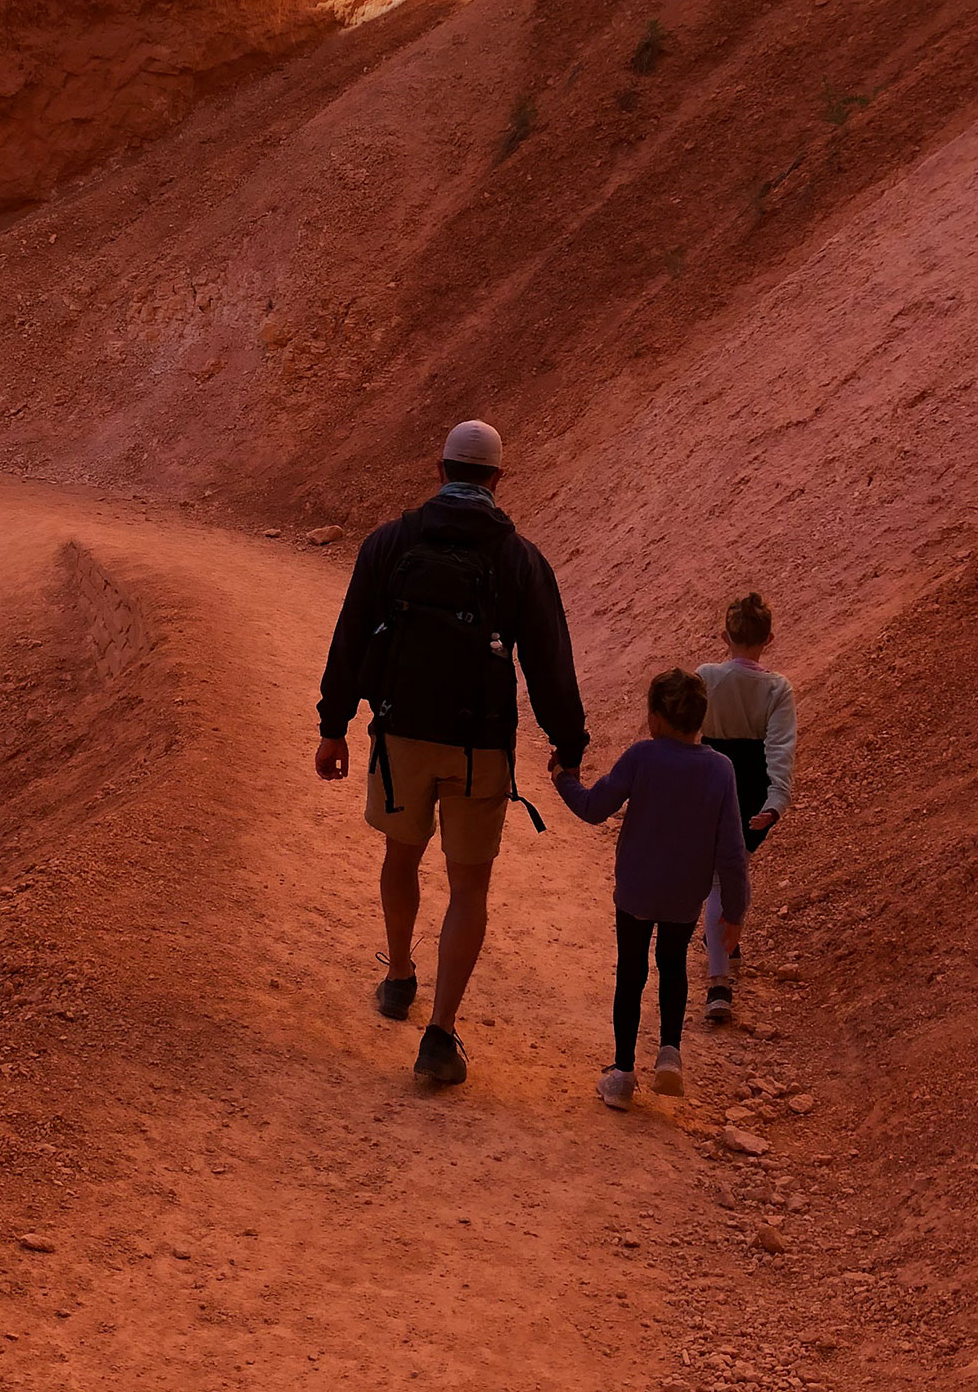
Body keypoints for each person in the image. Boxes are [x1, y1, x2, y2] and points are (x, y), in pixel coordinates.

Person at [316, 419, 589, 1088]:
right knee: (469, 887)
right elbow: (550, 662)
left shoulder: (390, 543)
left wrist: (334, 724)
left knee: (399, 857)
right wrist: (568, 745)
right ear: (499, 479)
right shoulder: (520, 559)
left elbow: (350, 636)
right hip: (480, 748)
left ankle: (400, 974)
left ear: (438, 472)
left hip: (400, 734)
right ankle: (440, 1035)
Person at [550, 667, 748, 1107]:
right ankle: (669, 1055)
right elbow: (732, 852)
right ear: (700, 720)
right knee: (673, 964)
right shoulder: (721, 770)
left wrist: (563, 778)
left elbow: (593, 807)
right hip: (684, 894)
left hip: (637, 889)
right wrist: (733, 912)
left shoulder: (641, 756)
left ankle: (621, 1074)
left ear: (655, 717)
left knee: (632, 972)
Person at [696, 592, 797, 1024]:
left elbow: (687, 730)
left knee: (718, 878)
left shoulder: (704, 677)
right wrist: (776, 801)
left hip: (707, 780)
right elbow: (780, 749)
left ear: (724, 635)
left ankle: (720, 967)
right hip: (751, 788)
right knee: (735, 870)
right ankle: (723, 964)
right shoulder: (777, 688)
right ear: (769, 639)